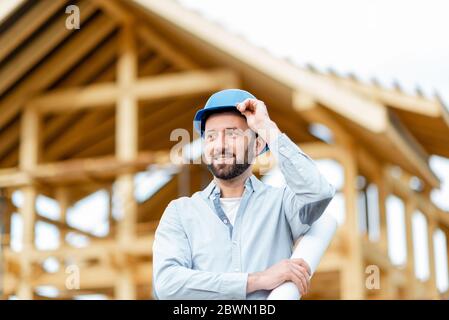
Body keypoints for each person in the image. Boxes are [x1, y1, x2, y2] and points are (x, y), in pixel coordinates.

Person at [153, 89, 335, 299]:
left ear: (257, 144)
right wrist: (256, 280)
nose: (220, 145)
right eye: (211, 136)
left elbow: (319, 193)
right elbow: (168, 285)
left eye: (232, 134)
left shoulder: (282, 205)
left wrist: (267, 128)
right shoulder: (180, 213)